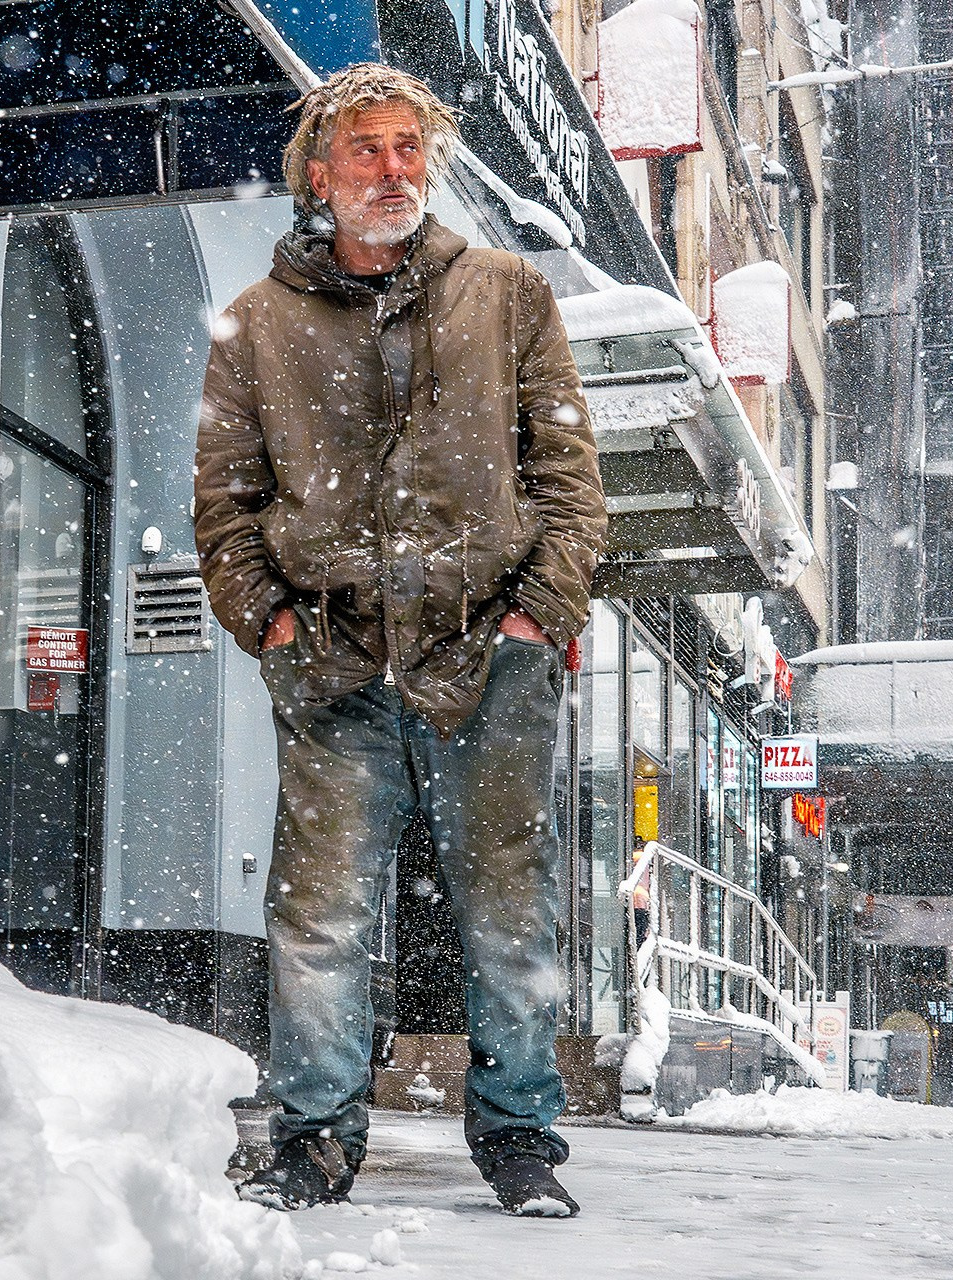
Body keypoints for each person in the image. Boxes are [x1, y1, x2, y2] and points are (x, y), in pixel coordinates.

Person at [194, 63, 607, 1217]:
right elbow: (224, 500)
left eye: (409, 148)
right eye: (367, 149)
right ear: (318, 172)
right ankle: (315, 1136)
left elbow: (571, 478)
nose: (393, 170)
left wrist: (539, 615)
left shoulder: (507, 293)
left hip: (490, 656)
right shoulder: (259, 326)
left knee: (509, 911)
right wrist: (267, 619)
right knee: (319, 915)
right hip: (329, 661)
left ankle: (521, 1139)